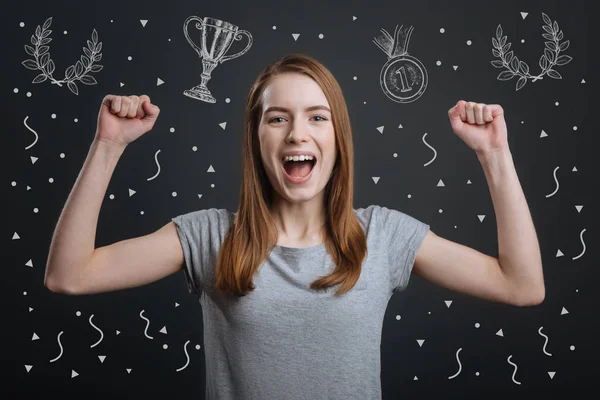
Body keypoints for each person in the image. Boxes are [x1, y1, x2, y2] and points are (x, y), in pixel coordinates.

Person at [44, 53, 545, 399]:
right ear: (256, 138)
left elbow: (521, 285)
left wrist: (494, 154)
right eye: (277, 118)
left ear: (338, 137)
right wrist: (107, 145)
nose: (297, 133)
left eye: (317, 118)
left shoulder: (385, 236)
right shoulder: (210, 237)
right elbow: (70, 275)